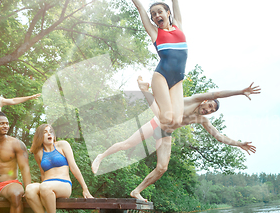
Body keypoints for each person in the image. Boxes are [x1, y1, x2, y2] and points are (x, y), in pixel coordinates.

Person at [92, 77, 261, 201]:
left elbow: (219, 136)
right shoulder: (194, 99)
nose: (208, 110)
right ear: (206, 101)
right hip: (157, 122)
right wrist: (240, 91)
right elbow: (218, 93)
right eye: (209, 106)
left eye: (211, 111)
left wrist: (239, 144)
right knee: (128, 144)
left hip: (165, 134)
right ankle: (101, 156)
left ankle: (136, 191)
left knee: (162, 168)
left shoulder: (202, 120)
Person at [122, 0, 186, 134]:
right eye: (153, 14)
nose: (157, 15)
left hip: (178, 79)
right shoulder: (155, 32)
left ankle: (158, 123)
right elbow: (140, 9)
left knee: (177, 121)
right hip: (162, 76)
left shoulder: (178, 24)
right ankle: (145, 92)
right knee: (166, 120)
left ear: (168, 13)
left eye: (160, 12)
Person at [26, 124, 93, 213]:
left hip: (64, 184)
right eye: (45, 132)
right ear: (39, 136)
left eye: (51, 131)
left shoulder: (62, 145)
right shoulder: (38, 153)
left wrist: (85, 189)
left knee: (45, 187)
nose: (49, 133)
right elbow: (43, 174)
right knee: (29, 189)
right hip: (47, 185)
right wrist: (43, 193)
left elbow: (73, 167)